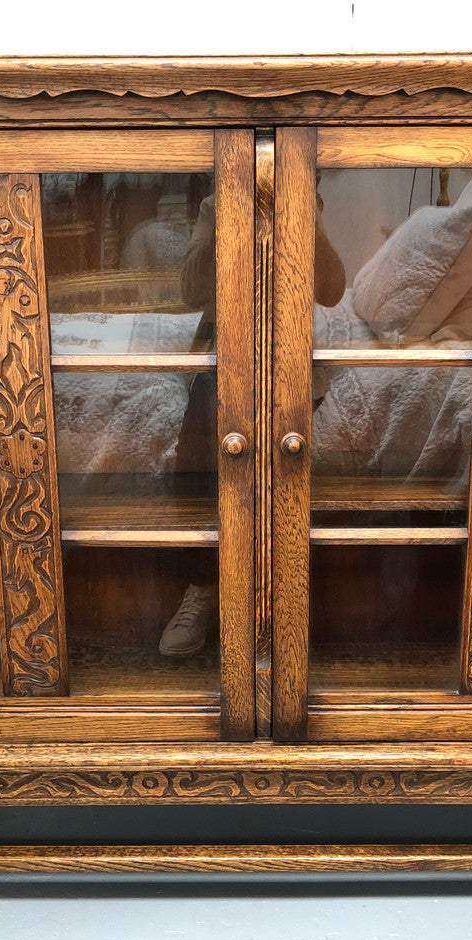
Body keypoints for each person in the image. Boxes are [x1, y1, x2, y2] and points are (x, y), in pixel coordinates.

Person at [159, 190, 345, 657]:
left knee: (290, 460)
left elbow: (332, 291)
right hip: (228, 354)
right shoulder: (211, 206)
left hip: (292, 355)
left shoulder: (305, 197)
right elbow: (189, 289)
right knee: (199, 449)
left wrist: (302, 213)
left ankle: (286, 601)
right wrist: (231, 214)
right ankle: (203, 587)